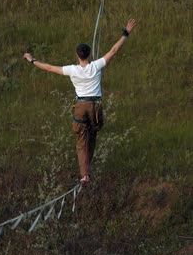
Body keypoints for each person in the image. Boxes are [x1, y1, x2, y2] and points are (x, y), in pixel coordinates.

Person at [22, 19, 136, 186]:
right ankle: (88, 166)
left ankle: (84, 176)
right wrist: (126, 33)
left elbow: (49, 68)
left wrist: (31, 60)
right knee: (93, 135)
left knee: (81, 141)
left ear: (77, 55)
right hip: (95, 107)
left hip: (80, 107)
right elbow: (114, 50)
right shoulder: (96, 66)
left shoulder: (72, 70)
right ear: (89, 54)